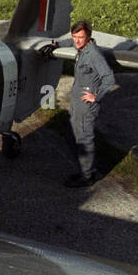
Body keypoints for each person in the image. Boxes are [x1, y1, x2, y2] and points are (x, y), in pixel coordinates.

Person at [43, 20, 115, 187]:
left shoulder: (94, 55)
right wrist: (56, 44)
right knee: (76, 134)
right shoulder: (82, 47)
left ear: (88, 37)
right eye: (75, 37)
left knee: (84, 137)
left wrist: (95, 97)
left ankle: (88, 177)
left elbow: (109, 78)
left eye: (80, 37)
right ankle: (85, 170)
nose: (76, 41)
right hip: (76, 101)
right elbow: (70, 42)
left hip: (86, 104)